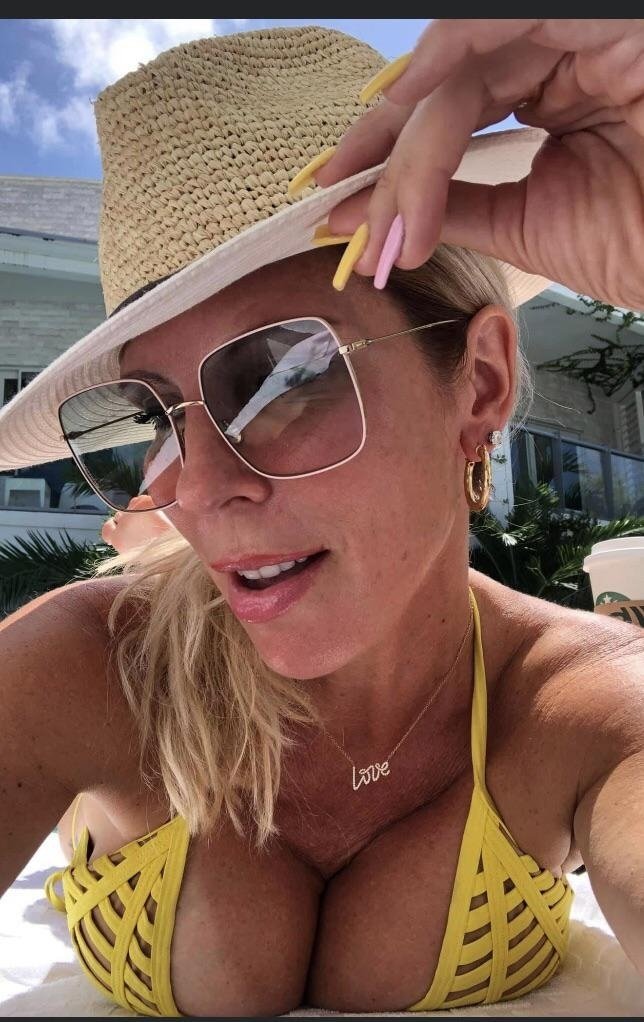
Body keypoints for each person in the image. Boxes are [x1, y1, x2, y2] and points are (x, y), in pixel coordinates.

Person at [1, 20, 643, 1019]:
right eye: (157, 417)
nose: (200, 486)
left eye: (284, 378)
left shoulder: (583, 705)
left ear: (478, 384)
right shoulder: (91, 670)